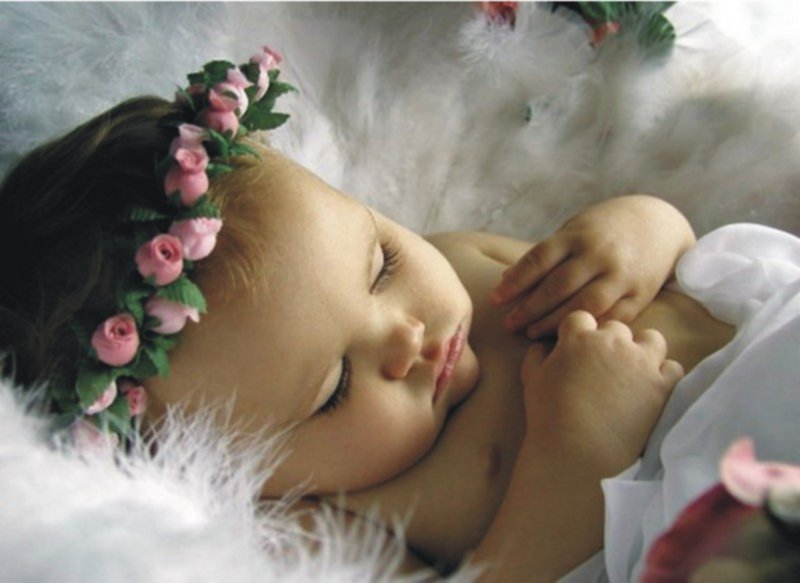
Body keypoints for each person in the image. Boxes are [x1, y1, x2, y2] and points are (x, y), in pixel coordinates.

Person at [0, 49, 795, 581]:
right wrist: (582, 452)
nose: (406, 335)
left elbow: (683, 254)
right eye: (335, 388)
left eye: (381, 262)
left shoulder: (461, 261)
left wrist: (632, 233)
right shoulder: (326, 516)